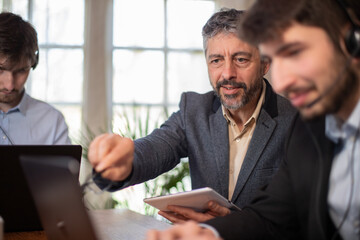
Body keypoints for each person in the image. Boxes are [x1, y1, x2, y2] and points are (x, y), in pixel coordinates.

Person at [146, 0, 360, 239]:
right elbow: (271, 217)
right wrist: (210, 234)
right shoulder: (310, 129)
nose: (281, 83)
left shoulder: (296, 121)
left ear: (353, 44)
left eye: (296, 53)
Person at [88, 8, 296, 222]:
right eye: (216, 60)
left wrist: (230, 224)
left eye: (241, 59)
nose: (227, 74)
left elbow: (303, 216)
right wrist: (125, 164)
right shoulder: (195, 110)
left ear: (265, 64)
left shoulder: (297, 122)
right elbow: (156, 147)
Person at [0, 12, 71, 145]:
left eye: (21, 71)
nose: (9, 85)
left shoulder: (52, 121)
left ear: (33, 64)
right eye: (0, 70)